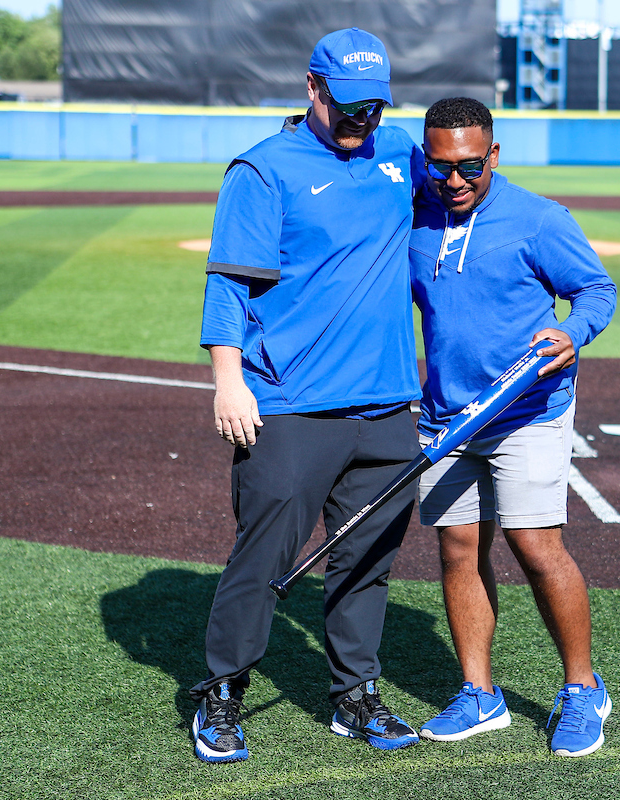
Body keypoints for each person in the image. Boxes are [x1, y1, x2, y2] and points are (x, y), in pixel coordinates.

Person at [191, 27, 426, 762]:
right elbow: (230, 284)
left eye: (375, 109)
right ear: (312, 87)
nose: (363, 123)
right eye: (349, 107)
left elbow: (467, 185)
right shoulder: (263, 171)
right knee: (263, 557)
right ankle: (222, 693)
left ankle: (354, 697)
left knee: (366, 562)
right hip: (290, 405)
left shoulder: (398, 155)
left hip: (387, 405)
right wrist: (228, 379)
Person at [408, 98, 617, 757]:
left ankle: (583, 689)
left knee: (535, 546)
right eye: (442, 166)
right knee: (458, 549)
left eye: (471, 165)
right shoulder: (416, 213)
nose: (457, 180)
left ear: (493, 154)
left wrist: (573, 331)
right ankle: (479, 694)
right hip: (447, 417)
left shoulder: (538, 220)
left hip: (527, 412)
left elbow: (597, 290)